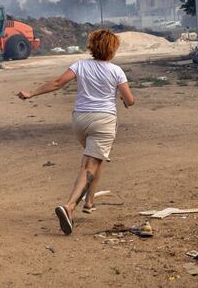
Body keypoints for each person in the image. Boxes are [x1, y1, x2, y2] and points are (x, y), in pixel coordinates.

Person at [17, 29, 135, 235]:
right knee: (90, 165)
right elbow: (130, 100)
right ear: (112, 49)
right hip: (104, 121)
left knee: (94, 161)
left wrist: (31, 93)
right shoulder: (116, 71)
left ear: (92, 46)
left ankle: (89, 202)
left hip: (80, 121)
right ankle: (70, 206)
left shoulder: (80, 65)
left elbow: (57, 83)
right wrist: (125, 100)